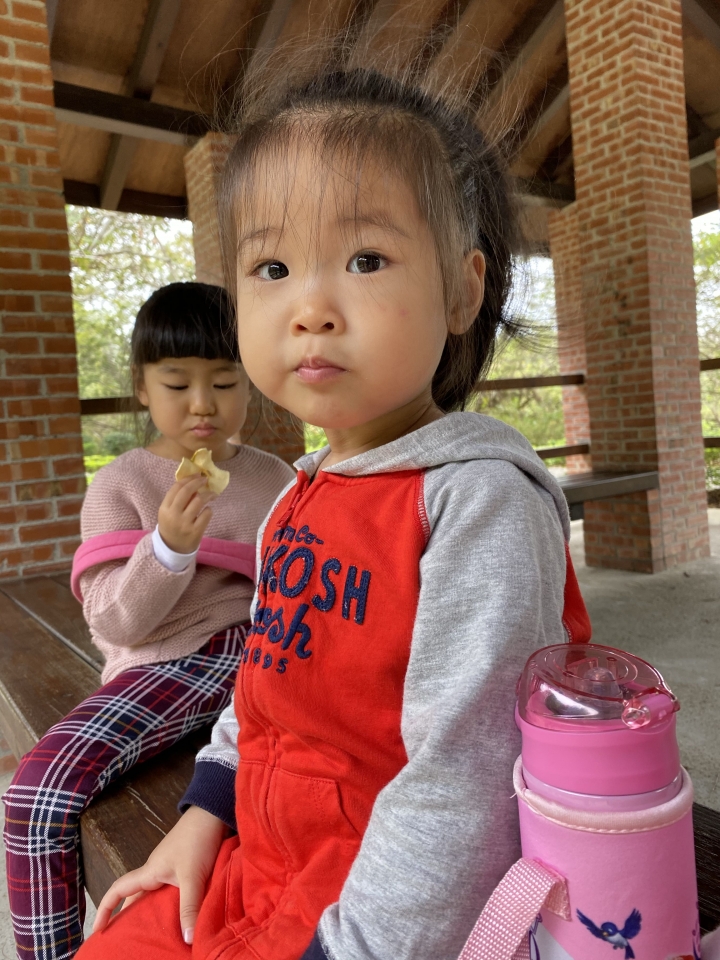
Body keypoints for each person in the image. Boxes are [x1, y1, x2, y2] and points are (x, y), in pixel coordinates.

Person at [77, 69, 592, 960]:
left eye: (364, 259)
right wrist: (203, 815)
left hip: (379, 904)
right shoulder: (293, 497)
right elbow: (260, 682)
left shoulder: (476, 502)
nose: (311, 308)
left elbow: (463, 787)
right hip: (256, 859)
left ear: (464, 291)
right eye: (272, 268)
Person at [2, 281, 295, 960]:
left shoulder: (274, 478)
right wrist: (168, 550)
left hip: (265, 657)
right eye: (177, 383)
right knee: (36, 796)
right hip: (170, 663)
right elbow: (116, 623)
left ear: (249, 385)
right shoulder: (122, 486)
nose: (203, 405)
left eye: (225, 382)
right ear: (141, 388)